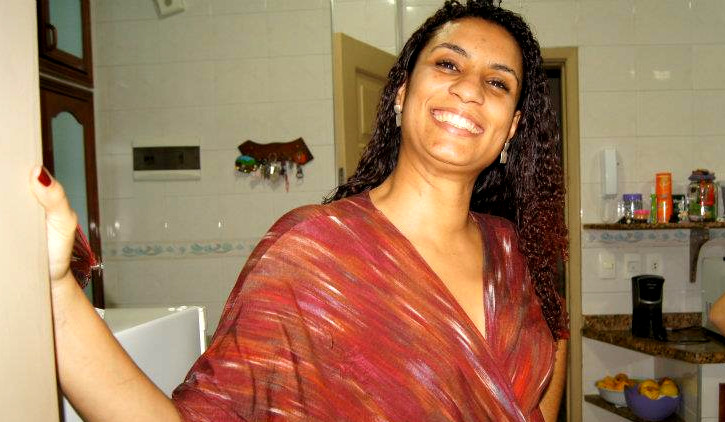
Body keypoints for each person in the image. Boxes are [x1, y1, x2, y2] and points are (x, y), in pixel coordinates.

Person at [30, 0, 568, 421]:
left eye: (498, 82)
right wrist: (57, 288)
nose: (470, 89)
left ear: (511, 129)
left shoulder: (519, 256)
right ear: (402, 95)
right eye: (448, 63)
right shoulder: (312, 251)